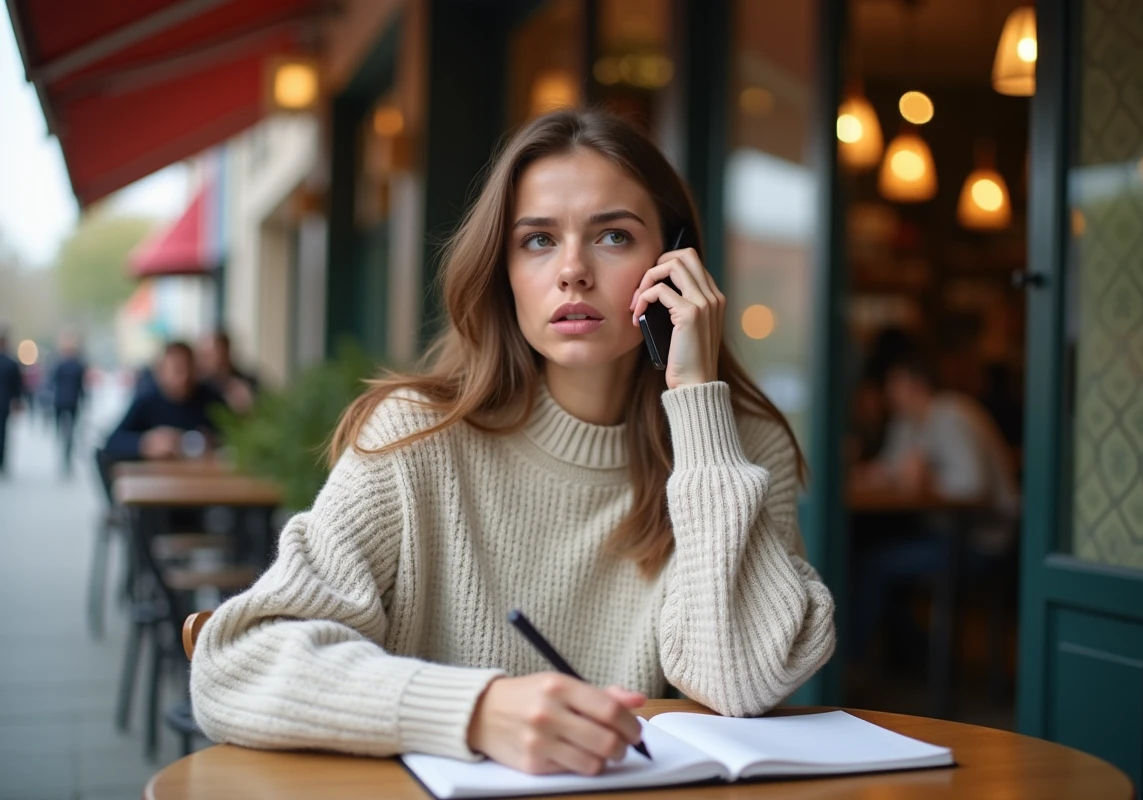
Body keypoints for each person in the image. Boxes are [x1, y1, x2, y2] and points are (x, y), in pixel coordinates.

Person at [190, 108, 836, 775]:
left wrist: (697, 405)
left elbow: (740, 682)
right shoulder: (419, 436)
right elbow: (237, 664)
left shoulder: (741, 446)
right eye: (537, 241)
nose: (573, 271)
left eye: (614, 236)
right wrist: (475, 710)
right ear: (501, 269)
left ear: (673, 263)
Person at [850, 352, 1018, 661]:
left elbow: (974, 486)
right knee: (866, 548)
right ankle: (908, 656)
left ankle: (855, 661)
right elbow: (891, 467)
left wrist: (929, 481)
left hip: (980, 541)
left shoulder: (953, 414)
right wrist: (865, 474)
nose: (889, 395)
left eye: (895, 387)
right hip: (941, 531)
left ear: (918, 386)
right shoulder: (908, 422)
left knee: (874, 563)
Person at [102, 341, 225, 463]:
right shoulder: (147, 401)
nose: (184, 377)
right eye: (177, 370)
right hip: (158, 477)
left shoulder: (210, 398)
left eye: (189, 368)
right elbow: (112, 442)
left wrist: (213, 440)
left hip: (204, 476)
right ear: (161, 372)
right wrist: (145, 443)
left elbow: (232, 436)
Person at [49, 331, 88, 475]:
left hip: (60, 401)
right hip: (72, 401)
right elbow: (81, 386)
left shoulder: (59, 363)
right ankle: (67, 453)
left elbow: (52, 383)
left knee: (62, 429)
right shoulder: (78, 364)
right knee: (70, 430)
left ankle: (65, 452)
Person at [197, 330, 257, 413]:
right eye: (203, 354)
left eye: (210, 354)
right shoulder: (198, 386)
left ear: (225, 351)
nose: (204, 359)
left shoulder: (247, 383)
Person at [0, 328, 24, 475]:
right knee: (3, 433)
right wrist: (17, 401)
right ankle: (2, 460)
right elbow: (17, 386)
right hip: (4, 403)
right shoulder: (11, 362)